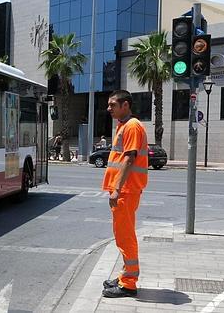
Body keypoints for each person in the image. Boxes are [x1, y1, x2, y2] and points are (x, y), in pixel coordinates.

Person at [101, 90, 148, 298]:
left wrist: (117, 189)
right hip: (124, 190)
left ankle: (129, 283)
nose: (108, 108)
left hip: (126, 190)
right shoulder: (124, 126)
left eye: (112, 105)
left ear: (125, 105)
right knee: (122, 235)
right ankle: (124, 276)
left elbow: (129, 159)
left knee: (125, 236)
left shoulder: (132, 126)